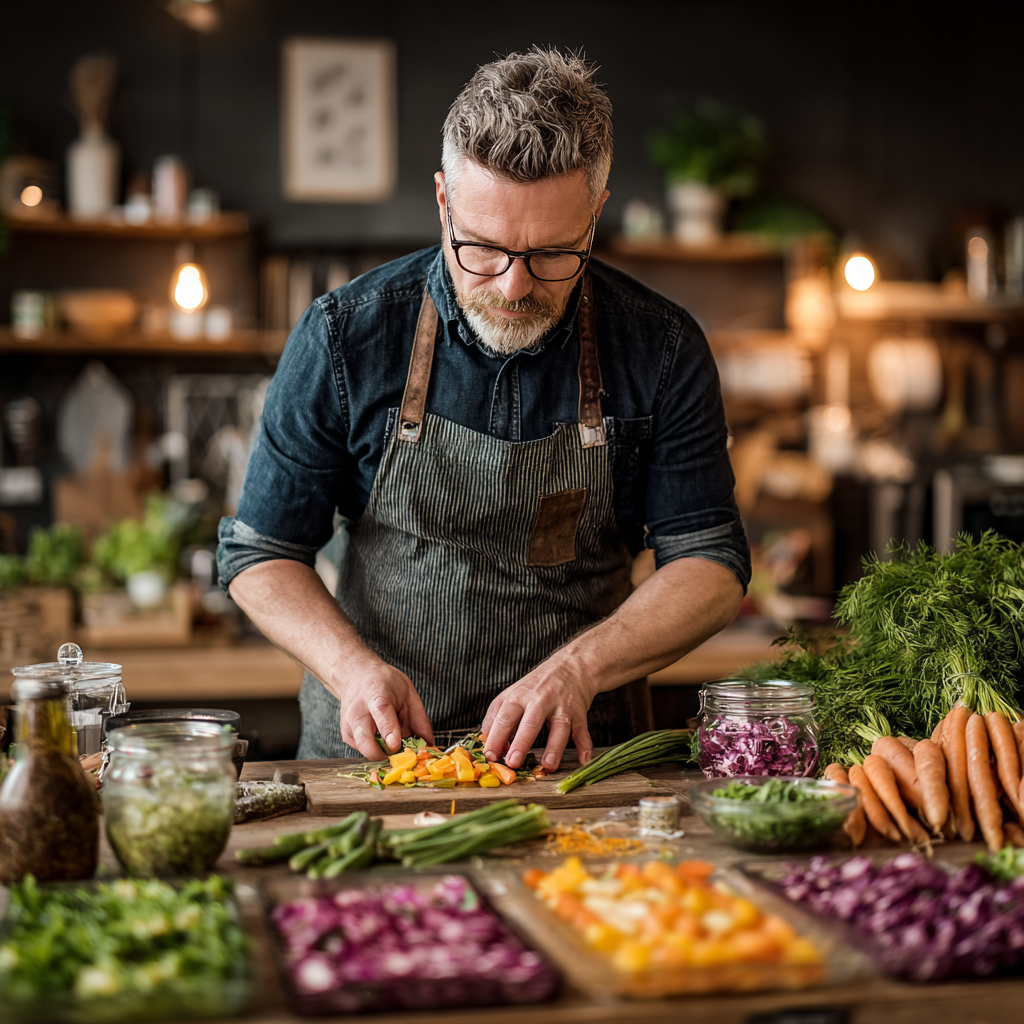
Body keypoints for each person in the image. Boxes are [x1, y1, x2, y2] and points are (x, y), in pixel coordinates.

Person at [218, 48, 750, 772]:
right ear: (444, 201)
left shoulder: (659, 347)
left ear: (595, 213)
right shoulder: (347, 335)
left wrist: (579, 671)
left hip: (583, 767)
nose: (513, 286)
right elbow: (261, 552)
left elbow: (711, 563)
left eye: (553, 253)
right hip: (377, 762)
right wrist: (349, 668)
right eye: (483, 248)